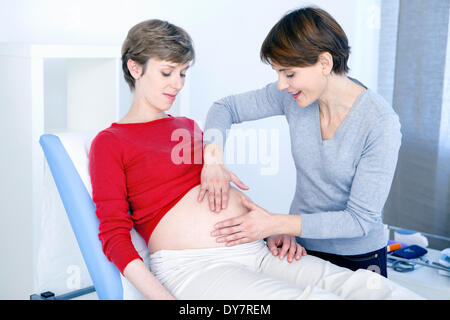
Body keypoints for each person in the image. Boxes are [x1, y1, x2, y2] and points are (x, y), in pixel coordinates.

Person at [88, 19, 422, 300]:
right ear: (135, 68)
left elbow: (211, 194)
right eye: (167, 73)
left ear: (324, 63)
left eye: (183, 74)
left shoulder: (187, 126)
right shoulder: (110, 142)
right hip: (196, 265)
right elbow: (114, 236)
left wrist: (268, 228)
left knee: (370, 288)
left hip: (259, 249)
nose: (177, 85)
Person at [201, 6, 400, 278]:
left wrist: (276, 223)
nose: (282, 85)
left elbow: (359, 220)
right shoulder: (294, 97)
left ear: (325, 63)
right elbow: (225, 108)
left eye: (289, 73)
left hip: (358, 260)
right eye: (278, 74)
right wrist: (212, 161)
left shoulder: (380, 123)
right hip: (301, 249)